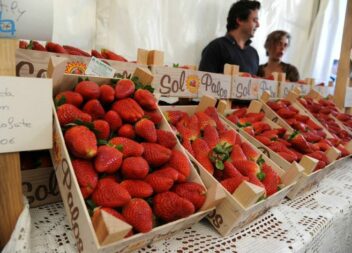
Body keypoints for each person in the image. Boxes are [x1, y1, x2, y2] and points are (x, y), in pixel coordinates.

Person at [199, 0, 261, 75]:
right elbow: (204, 82)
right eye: (255, 20)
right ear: (240, 20)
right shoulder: (216, 47)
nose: (258, 25)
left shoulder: (253, 53)